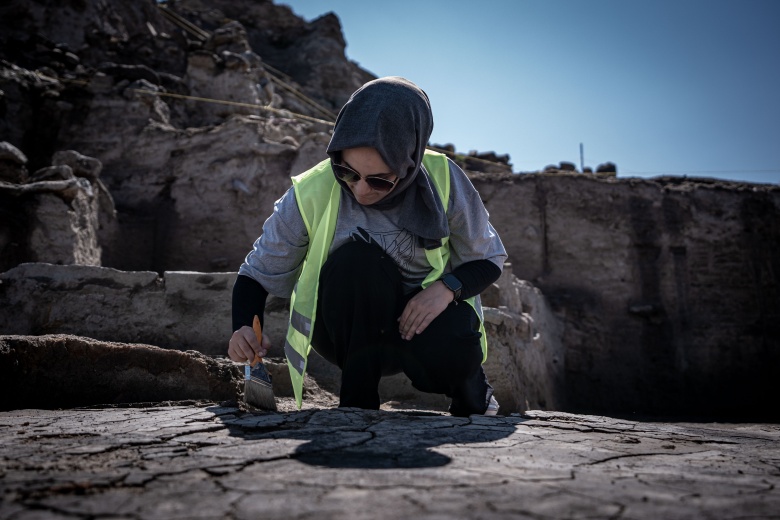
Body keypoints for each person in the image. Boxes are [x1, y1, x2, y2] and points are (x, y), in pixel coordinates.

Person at [227, 76, 507, 416]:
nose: (360, 190)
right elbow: (256, 275)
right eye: (347, 172)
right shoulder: (311, 191)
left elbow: (489, 259)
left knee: (455, 340)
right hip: (346, 329)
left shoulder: (445, 179)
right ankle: (357, 406)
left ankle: (473, 394)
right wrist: (243, 326)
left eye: (379, 180)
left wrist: (446, 289)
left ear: (409, 163)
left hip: (419, 327)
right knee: (356, 261)